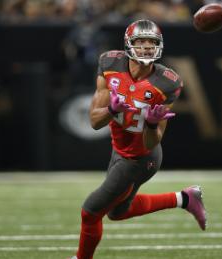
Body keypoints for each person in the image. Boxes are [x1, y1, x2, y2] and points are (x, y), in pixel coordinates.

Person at [69, 20, 207, 259]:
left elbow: (152, 142)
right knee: (117, 212)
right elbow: (94, 122)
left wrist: (152, 123)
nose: (145, 48)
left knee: (90, 211)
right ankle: (184, 198)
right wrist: (111, 110)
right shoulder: (110, 63)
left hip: (141, 158)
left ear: (159, 46)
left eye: (151, 43)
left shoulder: (167, 82)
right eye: (140, 42)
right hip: (118, 149)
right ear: (128, 44)